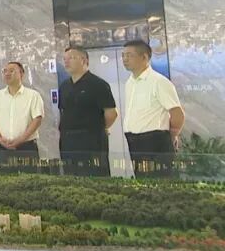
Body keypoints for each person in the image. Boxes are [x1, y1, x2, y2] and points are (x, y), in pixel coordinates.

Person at [121, 39, 184, 177]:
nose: (125, 59)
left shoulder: (158, 81)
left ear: (144, 57)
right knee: (142, 182)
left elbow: (177, 113)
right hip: (134, 141)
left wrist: (172, 135)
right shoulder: (129, 83)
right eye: (123, 55)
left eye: (129, 55)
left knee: (160, 181)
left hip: (155, 140)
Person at [58, 46, 117, 176]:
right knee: (71, 175)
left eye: (71, 58)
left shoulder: (98, 84)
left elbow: (111, 114)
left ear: (84, 60)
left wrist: (98, 128)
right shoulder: (64, 86)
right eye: (65, 59)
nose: (66, 61)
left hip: (91, 140)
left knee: (94, 175)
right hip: (68, 140)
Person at [0, 61, 44, 173]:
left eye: (12, 71)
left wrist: (20, 140)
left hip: (27, 147)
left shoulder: (33, 95)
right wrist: (0, 139)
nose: (7, 74)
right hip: (3, 148)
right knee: (5, 180)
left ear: (22, 74)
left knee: (29, 180)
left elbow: (37, 119)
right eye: (5, 71)